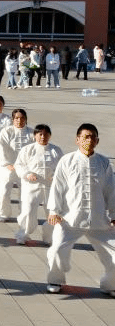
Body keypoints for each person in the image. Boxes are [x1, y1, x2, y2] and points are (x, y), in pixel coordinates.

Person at [45, 123, 115, 295]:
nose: (89, 140)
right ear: (77, 140)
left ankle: (110, 285)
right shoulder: (67, 161)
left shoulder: (104, 162)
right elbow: (57, 187)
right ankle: (55, 280)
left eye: (93, 137)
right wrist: (54, 211)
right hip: (70, 219)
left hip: (98, 220)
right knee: (57, 250)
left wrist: (114, 214)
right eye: (85, 137)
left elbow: (111, 190)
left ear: (97, 141)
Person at [13, 124, 62, 245]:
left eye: (46, 134)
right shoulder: (27, 149)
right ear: (35, 135)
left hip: (50, 186)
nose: (43, 137)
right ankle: (23, 234)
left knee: (52, 212)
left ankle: (49, 238)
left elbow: (62, 167)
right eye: (40, 134)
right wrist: (27, 174)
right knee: (28, 211)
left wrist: (56, 176)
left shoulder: (56, 150)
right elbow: (19, 165)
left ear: (50, 136)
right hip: (31, 186)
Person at [0, 109, 32, 224]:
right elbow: (1, 148)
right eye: (17, 118)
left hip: (25, 168)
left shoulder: (32, 133)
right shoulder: (6, 131)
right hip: (8, 167)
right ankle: (3, 213)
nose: (19, 120)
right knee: (4, 192)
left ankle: (23, 215)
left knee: (25, 194)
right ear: (12, 119)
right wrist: (7, 163)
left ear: (26, 119)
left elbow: (35, 151)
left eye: (22, 118)